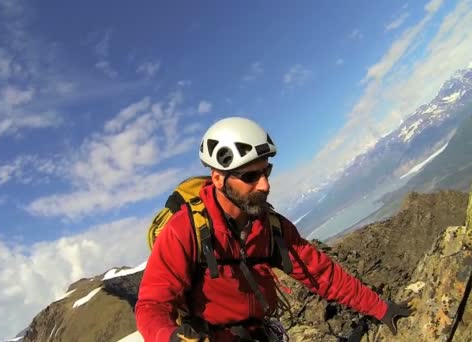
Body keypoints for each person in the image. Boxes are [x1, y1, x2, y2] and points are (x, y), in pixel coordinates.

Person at [135, 117, 411, 341]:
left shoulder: (269, 226)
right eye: (250, 176)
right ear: (218, 179)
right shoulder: (184, 231)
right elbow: (151, 306)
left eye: (266, 172)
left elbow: (321, 273)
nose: (265, 185)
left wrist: (380, 308)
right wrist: (170, 337)